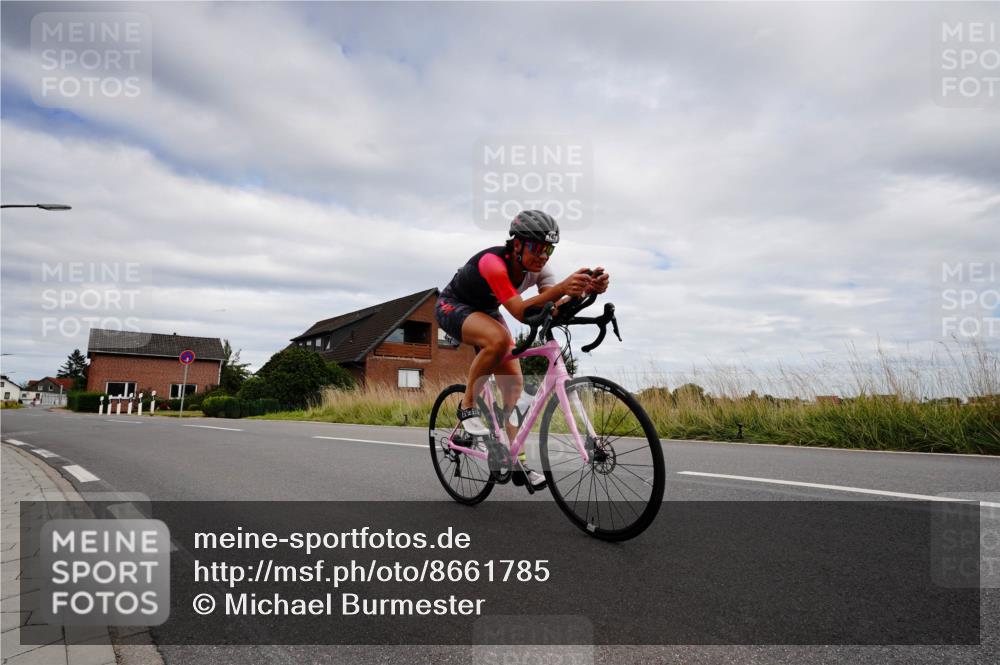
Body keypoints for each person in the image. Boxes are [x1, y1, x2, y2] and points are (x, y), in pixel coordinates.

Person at [435, 210, 610, 489]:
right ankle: (467, 405)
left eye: (549, 249)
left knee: (514, 386)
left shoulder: (542, 269)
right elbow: (518, 311)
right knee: (499, 340)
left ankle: (516, 459)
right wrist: (563, 287)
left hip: (488, 311)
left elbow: (551, 307)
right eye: (537, 247)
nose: (543, 255)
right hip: (453, 306)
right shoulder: (494, 263)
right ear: (517, 244)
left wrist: (585, 290)